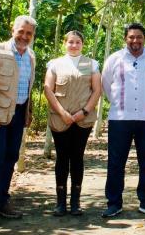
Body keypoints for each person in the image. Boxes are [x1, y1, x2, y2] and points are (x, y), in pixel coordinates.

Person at [101, 23, 145, 218]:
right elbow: (106, 85)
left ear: (144, 38)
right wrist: (119, 103)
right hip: (120, 118)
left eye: (139, 37)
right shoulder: (114, 59)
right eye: (131, 37)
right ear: (126, 39)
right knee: (115, 162)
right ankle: (114, 203)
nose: (135, 41)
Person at [0, 15, 37, 227]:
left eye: (29, 33)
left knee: (11, 156)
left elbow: (28, 88)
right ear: (13, 29)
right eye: (21, 31)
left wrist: (28, 112)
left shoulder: (31, 56)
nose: (24, 36)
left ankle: (3, 199)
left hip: (18, 114)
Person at [43, 30, 102, 217]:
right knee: (62, 158)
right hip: (59, 119)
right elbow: (48, 89)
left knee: (77, 157)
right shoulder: (54, 64)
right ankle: (60, 203)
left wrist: (82, 113)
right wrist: (63, 113)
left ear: (82, 44)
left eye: (78, 42)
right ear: (64, 43)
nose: (74, 45)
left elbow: (97, 90)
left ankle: (75, 202)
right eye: (70, 42)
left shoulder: (92, 64)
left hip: (83, 120)